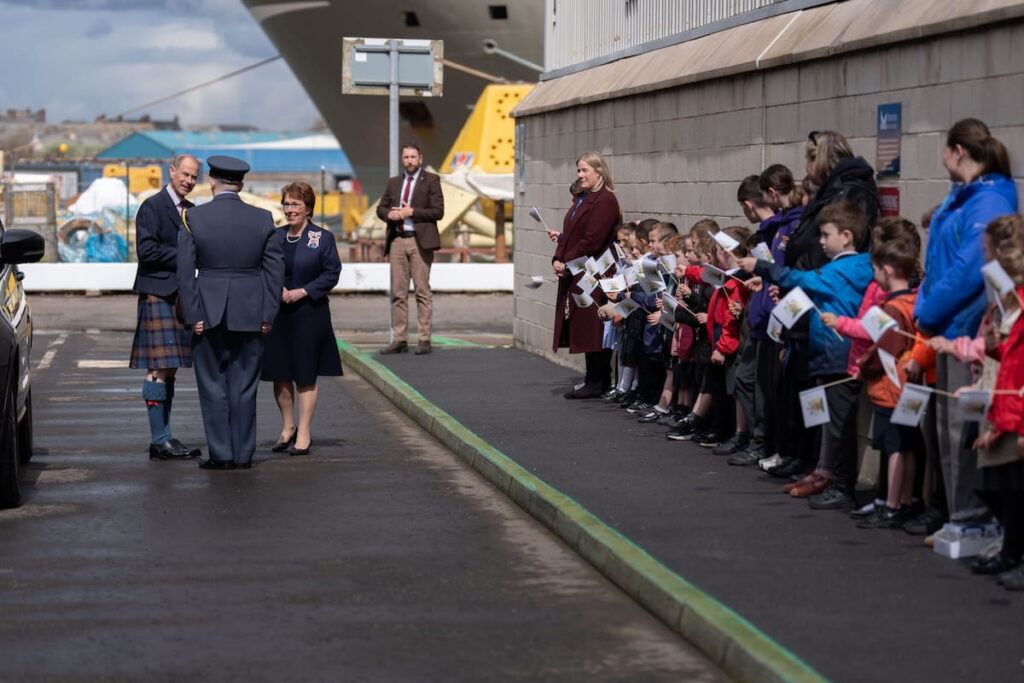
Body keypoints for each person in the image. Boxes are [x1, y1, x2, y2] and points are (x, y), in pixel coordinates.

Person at [911, 118, 1017, 525]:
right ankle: (959, 516)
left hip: (966, 325)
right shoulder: (965, 197)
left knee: (963, 433)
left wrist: (928, 309)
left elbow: (969, 268)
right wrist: (928, 305)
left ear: (959, 151)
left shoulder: (987, 201)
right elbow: (940, 263)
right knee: (948, 434)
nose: (941, 159)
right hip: (948, 322)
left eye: (944, 150)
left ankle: (970, 518)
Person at [177, 155, 284, 470]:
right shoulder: (264, 219)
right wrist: (268, 314)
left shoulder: (193, 218)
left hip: (207, 312)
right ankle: (243, 455)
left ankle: (221, 454)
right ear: (241, 184)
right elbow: (275, 273)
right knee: (244, 385)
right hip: (250, 311)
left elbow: (185, 275)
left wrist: (192, 315)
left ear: (212, 181)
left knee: (212, 384)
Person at [128, 153, 202, 461]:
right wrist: (185, 255)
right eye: (184, 174)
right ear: (171, 171)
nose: (188, 180)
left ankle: (165, 438)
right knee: (158, 368)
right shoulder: (152, 206)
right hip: (158, 293)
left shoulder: (194, 212)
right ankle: (160, 439)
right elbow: (146, 251)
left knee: (169, 368)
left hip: (180, 296)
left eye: (193, 177)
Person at [261, 182, 343, 457]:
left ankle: (305, 431)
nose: (290, 209)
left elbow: (331, 273)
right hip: (278, 313)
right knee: (280, 373)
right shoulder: (275, 236)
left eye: (296, 204)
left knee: (305, 374)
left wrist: (303, 291)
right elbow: (264, 268)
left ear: (308, 207)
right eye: (286, 203)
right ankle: (288, 426)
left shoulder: (322, 237)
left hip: (310, 313)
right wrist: (277, 289)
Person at [552, 151, 621, 399]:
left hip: (596, 271)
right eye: (578, 170)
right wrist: (558, 258)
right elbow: (569, 233)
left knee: (594, 324)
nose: (580, 175)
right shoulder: (582, 198)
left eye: (584, 171)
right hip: (578, 270)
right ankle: (592, 378)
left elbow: (593, 239)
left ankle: (599, 381)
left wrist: (566, 260)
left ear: (598, 171)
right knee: (585, 323)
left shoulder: (605, 201)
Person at [377, 144, 444, 355]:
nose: (409, 160)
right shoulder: (394, 182)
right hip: (397, 240)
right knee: (398, 293)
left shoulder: (431, 180)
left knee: (422, 292)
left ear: (420, 158)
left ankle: (424, 338)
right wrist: (389, 214)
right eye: (406, 157)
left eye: (413, 157)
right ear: (402, 159)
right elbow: (381, 207)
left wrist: (411, 212)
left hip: (419, 241)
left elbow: (438, 212)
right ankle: (400, 339)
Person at [786, 130, 879, 270]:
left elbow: (827, 250)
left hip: (823, 283)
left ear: (817, 160)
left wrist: (798, 278)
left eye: (808, 159)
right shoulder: (830, 190)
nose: (806, 167)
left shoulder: (847, 193)